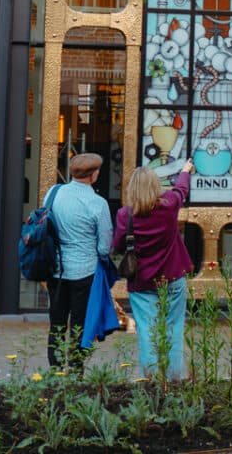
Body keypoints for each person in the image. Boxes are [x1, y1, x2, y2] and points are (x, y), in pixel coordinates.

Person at [114, 163, 194, 380]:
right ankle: (174, 377)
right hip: (173, 277)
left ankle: (151, 379)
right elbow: (181, 190)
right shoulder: (168, 207)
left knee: (147, 330)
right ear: (155, 186)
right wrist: (185, 171)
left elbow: (118, 246)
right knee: (174, 327)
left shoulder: (125, 215)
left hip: (141, 282)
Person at [42, 152, 113, 369]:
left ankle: (54, 368)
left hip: (57, 269)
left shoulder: (53, 194)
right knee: (79, 324)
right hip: (85, 272)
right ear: (93, 175)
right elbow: (104, 246)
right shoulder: (97, 204)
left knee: (57, 322)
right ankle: (75, 369)